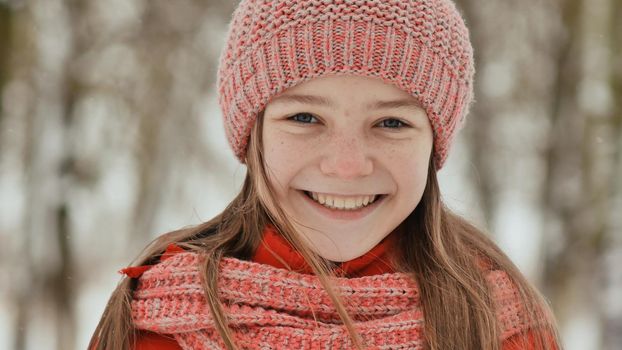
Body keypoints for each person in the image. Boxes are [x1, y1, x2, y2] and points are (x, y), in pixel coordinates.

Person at [90, 0, 561, 349]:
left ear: (434, 143)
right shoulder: (159, 322)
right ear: (251, 132)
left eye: (391, 123)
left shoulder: (500, 325)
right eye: (305, 118)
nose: (347, 165)